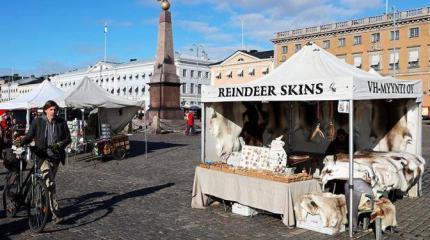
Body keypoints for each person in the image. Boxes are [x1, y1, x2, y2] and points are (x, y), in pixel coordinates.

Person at [17, 100, 71, 224]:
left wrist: (59, 144)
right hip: (42, 157)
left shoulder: (61, 122)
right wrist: (21, 142)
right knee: (50, 185)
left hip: (55, 158)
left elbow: (68, 138)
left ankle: (43, 208)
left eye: (55, 109)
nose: (54, 112)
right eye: (51, 109)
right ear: (45, 110)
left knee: (46, 186)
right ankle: (55, 214)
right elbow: (30, 136)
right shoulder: (38, 122)